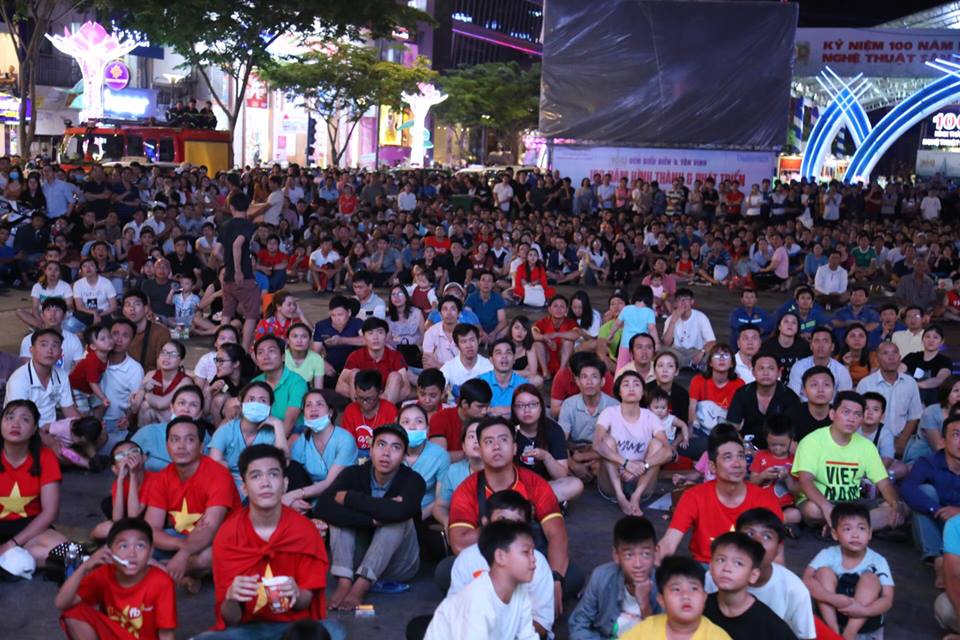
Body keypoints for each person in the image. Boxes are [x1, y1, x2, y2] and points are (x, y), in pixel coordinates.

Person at [200, 445, 331, 638]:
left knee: (334, 632)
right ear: (244, 487)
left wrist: (296, 592)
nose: (265, 483)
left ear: (285, 484)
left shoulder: (304, 531)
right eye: (255, 476)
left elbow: (306, 602)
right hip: (247, 628)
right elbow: (230, 618)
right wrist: (232, 598)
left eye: (273, 474)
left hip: (293, 628)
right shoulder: (228, 534)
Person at [447, 416, 576, 612]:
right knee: (445, 571)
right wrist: (503, 524)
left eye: (503, 440)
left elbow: (556, 533)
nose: (496, 447)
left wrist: (555, 577)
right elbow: (459, 543)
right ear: (480, 450)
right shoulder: (467, 489)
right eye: (488, 442)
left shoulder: (534, 483)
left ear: (515, 448)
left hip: (531, 562)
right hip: (486, 565)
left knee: (572, 576)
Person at [315, 424, 424, 611]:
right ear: (371, 449)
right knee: (339, 519)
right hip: (356, 562)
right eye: (381, 445)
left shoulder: (413, 480)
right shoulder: (353, 474)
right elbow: (323, 507)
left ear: (405, 456)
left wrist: (349, 498)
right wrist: (372, 519)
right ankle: (344, 582)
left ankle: (360, 587)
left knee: (397, 521)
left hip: (400, 565)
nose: (387, 453)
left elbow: (399, 512)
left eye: (396, 448)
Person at [655, 426, 783, 565]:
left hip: (749, 572)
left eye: (741, 456)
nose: (737, 463)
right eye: (728, 457)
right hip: (706, 569)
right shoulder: (694, 496)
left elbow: (777, 557)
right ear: (712, 467)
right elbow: (668, 543)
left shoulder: (765, 499)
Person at [143, 416, 241, 590]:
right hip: (179, 538)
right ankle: (185, 574)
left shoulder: (218, 475)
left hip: (218, 539)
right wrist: (182, 546)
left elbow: (210, 528)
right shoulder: (161, 478)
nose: (181, 446)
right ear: (167, 445)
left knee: (208, 556)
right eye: (175, 440)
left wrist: (184, 554)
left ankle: (164, 570)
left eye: (189, 440)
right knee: (136, 547)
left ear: (201, 446)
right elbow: (151, 529)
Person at [792, 391, 908, 532]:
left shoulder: (866, 446)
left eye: (857, 414)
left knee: (899, 509)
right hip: (822, 501)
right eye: (846, 412)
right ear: (832, 414)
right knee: (812, 510)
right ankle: (858, 528)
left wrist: (895, 504)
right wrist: (828, 508)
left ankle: (840, 529)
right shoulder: (812, 441)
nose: (852, 419)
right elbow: (805, 481)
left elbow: (883, 483)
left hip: (853, 502)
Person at [447, 491, 555, 637]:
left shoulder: (537, 562)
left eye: (516, 523)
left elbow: (542, 622)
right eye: (502, 519)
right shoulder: (467, 558)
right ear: (486, 522)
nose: (507, 528)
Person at [56, 518, 177, 640]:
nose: (132, 554)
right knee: (73, 611)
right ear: (110, 551)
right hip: (113, 635)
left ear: (151, 551)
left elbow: (166, 634)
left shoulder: (162, 582)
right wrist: (84, 568)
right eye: (123, 546)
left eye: (140, 546)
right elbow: (62, 603)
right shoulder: (103, 573)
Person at [704, 508, 816, 639]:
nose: (757, 541)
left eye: (767, 536)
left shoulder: (794, 590)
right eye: (749, 534)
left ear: (778, 549)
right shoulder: (715, 577)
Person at [423, 520, 539, 640]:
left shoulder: (520, 589)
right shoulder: (477, 600)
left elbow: (528, 636)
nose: (534, 559)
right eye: (526, 552)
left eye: (533, 552)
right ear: (500, 556)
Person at [802, 503, 895, 640]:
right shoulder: (828, 554)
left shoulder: (878, 561)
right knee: (823, 573)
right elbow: (807, 579)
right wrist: (832, 598)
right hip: (833, 616)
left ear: (869, 533)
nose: (855, 535)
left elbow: (888, 599)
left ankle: (848, 634)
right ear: (834, 534)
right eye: (847, 529)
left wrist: (863, 610)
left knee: (870, 578)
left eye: (861, 528)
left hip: (865, 624)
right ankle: (833, 631)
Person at [568, 515, 660, 639]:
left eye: (646, 554)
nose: (638, 564)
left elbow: (666, 635)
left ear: (656, 552)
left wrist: (644, 605)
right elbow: (578, 623)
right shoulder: (601, 577)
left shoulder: (665, 585)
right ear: (616, 555)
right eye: (629, 555)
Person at [594, 371, 672, 516]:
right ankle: (620, 497)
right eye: (626, 384)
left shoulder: (651, 417)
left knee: (658, 444)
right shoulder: (609, 413)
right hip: (612, 481)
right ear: (619, 391)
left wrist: (643, 465)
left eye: (636, 385)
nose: (631, 388)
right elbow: (597, 444)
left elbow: (668, 452)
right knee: (607, 441)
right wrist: (625, 463)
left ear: (643, 393)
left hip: (641, 481)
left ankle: (636, 497)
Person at [0, 400, 69, 564]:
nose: (15, 424)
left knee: (67, 551)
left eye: (25, 419)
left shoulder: (46, 457)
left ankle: (11, 559)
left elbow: (50, 512)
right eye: (9, 418)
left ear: (34, 429)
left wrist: (12, 544)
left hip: (30, 527)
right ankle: (15, 561)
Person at [703, 532, 798, 639]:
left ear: (753, 575)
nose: (726, 568)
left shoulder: (768, 623)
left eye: (738, 563)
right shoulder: (700, 606)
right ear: (710, 567)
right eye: (721, 560)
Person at [903, 414, 960, 578]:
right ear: (942, 441)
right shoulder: (929, 461)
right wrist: (937, 509)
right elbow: (907, 488)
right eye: (956, 435)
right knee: (925, 491)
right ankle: (938, 560)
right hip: (934, 527)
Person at [620, 555, 731, 640]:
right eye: (676, 589)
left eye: (694, 588)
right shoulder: (644, 631)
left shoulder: (717, 637)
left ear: (704, 597)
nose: (686, 596)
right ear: (662, 600)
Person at [209, 381, 289, 493]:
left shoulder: (271, 433)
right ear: (242, 404)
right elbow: (214, 462)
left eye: (263, 401)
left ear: (270, 406)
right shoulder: (227, 430)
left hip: (261, 487)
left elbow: (285, 463)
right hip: (227, 485)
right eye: (251, 399)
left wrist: (278, 425)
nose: (256, 404)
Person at [285, 390, 357, 513]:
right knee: (292, 467)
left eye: (319, 404)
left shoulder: (345, 439)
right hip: (308, 498)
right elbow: (290, 473)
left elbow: (330, 483)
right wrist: (294, 501)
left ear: (330, 412)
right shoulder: (301, 442)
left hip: (338, 497)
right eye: (308, 405)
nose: (313, 409)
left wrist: (294, 495)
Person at [512, 384, 584, 504]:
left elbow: (561, 476)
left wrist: (546, 456)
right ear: (513, 409)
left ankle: (527, 505)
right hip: (515, 487)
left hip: (545, 485)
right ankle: (540, 505)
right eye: (520, 406)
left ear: (541, 407)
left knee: (575, 484)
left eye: (533, 404)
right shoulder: (509, 430)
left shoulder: (553, 430)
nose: (527, 410)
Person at [856, 341, 923, 458]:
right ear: (877, 359)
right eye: (885, 353)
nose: (891, 357)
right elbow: (858, 415)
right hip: (871, 440)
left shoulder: (910, 383)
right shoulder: (866, 384)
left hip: (901, 438)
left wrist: (902, 440)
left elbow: (914, 415)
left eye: (894, 353)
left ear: (900, 358)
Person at [558, 354, 618, 483]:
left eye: (594, 377)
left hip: (601, 453)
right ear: (577, 381)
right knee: (561, 466)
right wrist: (572, 463)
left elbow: (617, 445)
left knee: (602, 465)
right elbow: (561, 440)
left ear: (602, 381)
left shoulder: (614, 406)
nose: (589, 382)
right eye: (584, 377)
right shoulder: (569, 404)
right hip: (575, 451)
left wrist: (589, 457)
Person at [220, 193, 269, 350]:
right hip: (243, 276)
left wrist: (227, 263)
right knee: (251, 314)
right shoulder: (247, 224)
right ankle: (244, 349)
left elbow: (216, 251)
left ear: (231, 207)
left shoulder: (225, 225)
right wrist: (238, 270)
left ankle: (221, 345)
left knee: (226, 314)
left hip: (227, 277)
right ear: (248, 207)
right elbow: (237, 244)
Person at [5, 328, 80, 427]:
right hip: (24, 431)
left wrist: (85, 427)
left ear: (60, 352)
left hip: (52, 429)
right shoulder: (19, 379)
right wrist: (49, 440)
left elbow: (69, 409)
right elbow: (18, 421)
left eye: (54, 345)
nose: (49, 350)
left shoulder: (61, 375)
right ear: (31, 350)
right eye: (43, 345)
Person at [726, 351, 802, 448]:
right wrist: (745, 447)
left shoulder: (790, 397)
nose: (765, 373)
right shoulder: (742, 393)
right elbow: (732, 427)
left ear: (779, 372)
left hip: (779, 448)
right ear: (753, 372)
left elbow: (792, 433)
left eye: (771, 368)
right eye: (761, 368)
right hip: (746, 447)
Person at [337, 317, 410, 404]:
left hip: (387, 400)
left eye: (380, 333)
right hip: (362, 402)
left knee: (395, 376)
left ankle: (383, 413)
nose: (375, 337)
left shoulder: (395, 356)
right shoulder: (355, 356)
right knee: (354, 373)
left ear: (386, 336)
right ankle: (360, 412)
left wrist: (380, 402)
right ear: (364, 337)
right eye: (370, 333)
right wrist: (368, 400)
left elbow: (406, 389)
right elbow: (340, 386)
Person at [90, 440, 150, 541]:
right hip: (129, 521)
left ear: (144, 457)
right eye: (120, 456)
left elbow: (134, 516)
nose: (128, 457)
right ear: (114, 469)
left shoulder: (154, 480)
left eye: (133, 451)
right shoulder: (119, 482)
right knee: (99, 530)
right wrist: (120, 480)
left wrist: (133, 475)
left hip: (147, 522)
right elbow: (117, 518)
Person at [399, 403, 450, 520]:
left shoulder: (440, 456)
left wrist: (416, 519)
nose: (412, 427)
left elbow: (440, 500)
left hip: (425, 515)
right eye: (406, 422)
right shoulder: (390, 452)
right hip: (392, 511)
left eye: (419, 421)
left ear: (427, 429)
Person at [747, 416, 801, 525]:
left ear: (791, 440)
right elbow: (751, 483)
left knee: (796, 515)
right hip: (762, 503)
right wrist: (763, 475)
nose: (778, 449)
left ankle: (770, 524)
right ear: (766, 439)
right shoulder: (760, 456)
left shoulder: (795, 459)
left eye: (782, 445)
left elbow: (797, 491)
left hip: (786, 505)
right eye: (773, 445)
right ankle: (777, 525)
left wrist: (787, 477)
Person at [252, 335, 308, 436]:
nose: (266, 357)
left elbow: (290, 420)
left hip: (293, 432)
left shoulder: (297, 382)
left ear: (283, 356)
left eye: (271, 351)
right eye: (260, 353)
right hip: (263, 431)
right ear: (256, 360)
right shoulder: (255, 383)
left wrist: (276, 447)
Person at [433, 420, 484, 528]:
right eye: (471, 436)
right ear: (463, 446)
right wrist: (447, 522)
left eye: (481, 435)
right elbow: (440, 507)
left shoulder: (502, 470)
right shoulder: (453, 471)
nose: (476, 441)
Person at [130, 340, 192, 427]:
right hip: (156, 420)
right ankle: (143, 438)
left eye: (173, 354)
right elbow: (135, 409)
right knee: (145, 407)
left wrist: (145, 393)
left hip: (177, 424)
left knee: (148, 405)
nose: (167, 357)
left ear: (181, 361)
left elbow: (161, 404)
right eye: (163, 352)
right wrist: (133, 401)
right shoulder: (150, 375)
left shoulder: (185, 381)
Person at [341, 370, 399, 459]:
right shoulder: (350, 410)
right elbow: (347, 444)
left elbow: (393, 442)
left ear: (380, 393)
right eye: (360, 398)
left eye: (369, 398)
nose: (364, 402)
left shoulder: (390, 410)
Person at [428, 378, 491, 460]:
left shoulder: (488, 422)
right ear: (464, 403)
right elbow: (438, 457)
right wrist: (475, 455)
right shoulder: (441, 418)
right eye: (480, 406)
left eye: (487, 406)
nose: (485, 411)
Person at [18, 298, 84, 375]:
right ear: (42, 315)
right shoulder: (28, 340)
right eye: (48, 310)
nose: (52, 314)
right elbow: (26, 368)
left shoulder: (73, 340)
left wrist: (65, 380)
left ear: (64, 316)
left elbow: (79, 365)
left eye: (57, 310)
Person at [787, 327, 852, 403]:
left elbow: (844, 399)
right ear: (811, 346)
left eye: (825, 341)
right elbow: (793, 396)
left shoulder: (841, 370)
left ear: (832, 347)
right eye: (817, 341)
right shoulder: (799, 367)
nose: (821, 345)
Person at [312, 295, 364, 389]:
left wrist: (342, 340)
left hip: (354, 368)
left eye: (340, 315)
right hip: (331, 368)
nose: (336, 319)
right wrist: (322, 363)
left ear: (349, 312)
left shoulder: (357, 323)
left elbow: (366, 340)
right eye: (333, 315)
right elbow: (314, 352)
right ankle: (318, 396)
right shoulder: (322, 326)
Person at [662, 288, 717, 370]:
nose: (683, 303)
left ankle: (682, 365)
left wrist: (702, 352)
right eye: (680, 300)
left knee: (714, 354)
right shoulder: (671, 319)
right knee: (662, 351)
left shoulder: (701, 317)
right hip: (678, 352)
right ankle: (692, 365)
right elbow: (666, 343)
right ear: (676, 303)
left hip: (696, 351)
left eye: (686, 299)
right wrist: (673, 322)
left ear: (692, 302)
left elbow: (712, 341)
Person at [900, 324, 952, 406]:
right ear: (922, 339)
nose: (931, 340)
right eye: (927, 337)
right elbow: (899, 373)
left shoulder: (945, 361)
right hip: (907, 396)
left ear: (941, 341)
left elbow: (939, 380)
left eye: (935, 337)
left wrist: (915, 385)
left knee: (930, 390)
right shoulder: (911, 356)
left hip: (931, 401)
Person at [67, 324, 114, 414]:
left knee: (99, 405)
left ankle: (96, 424)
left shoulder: (101, 353)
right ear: (93, 346)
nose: (108, 341)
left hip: (88, 387)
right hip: (76, 388)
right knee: (83, 411)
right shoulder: (93, 362)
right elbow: (93, 383)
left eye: (109, 337)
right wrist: (103, 398)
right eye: (103, 339)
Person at [122, 290, 172, 370]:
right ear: (123, 311)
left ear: (146, 309)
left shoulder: (161, 333)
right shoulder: (118, 333)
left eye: (137, 304)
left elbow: (163, 367)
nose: (132, 308)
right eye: (128, 305)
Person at [532, 295, 579, 379]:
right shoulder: (542, 322)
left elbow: (576, 335)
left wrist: (557, 334)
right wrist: (545, 338)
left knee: (568, 341)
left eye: (562, 306)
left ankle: (561, 373)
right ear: (549, 309)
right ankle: (545, 372)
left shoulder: (571, 323)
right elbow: (532, 334)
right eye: (555, 306)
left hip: (562, 359)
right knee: (537, 342)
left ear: (566, 310)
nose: (558, 309)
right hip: (547, 358)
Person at [478, 338, 528, 416]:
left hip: (515, 426)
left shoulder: (524, 385)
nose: (504, 356)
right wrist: (491, 410)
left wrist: (507, 409)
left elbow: (527, 410)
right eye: (498, 353)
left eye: (508, 352)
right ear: (491, 360)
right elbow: (475, 410)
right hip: (487, 425)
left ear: (514, 359)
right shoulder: (480, 382)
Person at [614, 286, 659, 371]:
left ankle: (618, 382)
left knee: (621, 366)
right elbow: (652, 328)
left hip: (625, 344)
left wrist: (611, 334)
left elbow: (617, 323)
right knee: (639, 368)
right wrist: (656, 343)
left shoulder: (626, 309)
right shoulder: (649, 312)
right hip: (640, 346)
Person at [760, 313, 811, 385]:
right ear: (779, 327)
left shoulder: (805, 347)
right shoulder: (767, 346)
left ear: (797, 328)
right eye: (786, 321)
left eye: (794, 322)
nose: (790, 325)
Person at [441, 324, 493, 390]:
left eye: (472, 340)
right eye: (463, 342)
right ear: (457, 346)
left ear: (478, 341)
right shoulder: (449, 367)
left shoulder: (488, 366)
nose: (469, 345)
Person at [466, 270, 508, 346]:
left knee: (507, 330)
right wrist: (481, 331)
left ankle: (490, 341)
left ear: (493, 284)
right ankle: (484, 341)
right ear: (478, 283)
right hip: (477, 331)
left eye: (489, 281)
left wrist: (494, 333)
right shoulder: (471, 297)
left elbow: (502, 321)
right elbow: (468, 317)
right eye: (483, 280)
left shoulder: (498, 297)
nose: (486, 283)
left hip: (494, 331)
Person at [285, 322, 325, 389]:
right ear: (288, 341)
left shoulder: (317, 359)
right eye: (295, 336)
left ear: (309, 340)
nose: (299, 340)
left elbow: (318, 389)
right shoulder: (281, 357)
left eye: (304, 337)